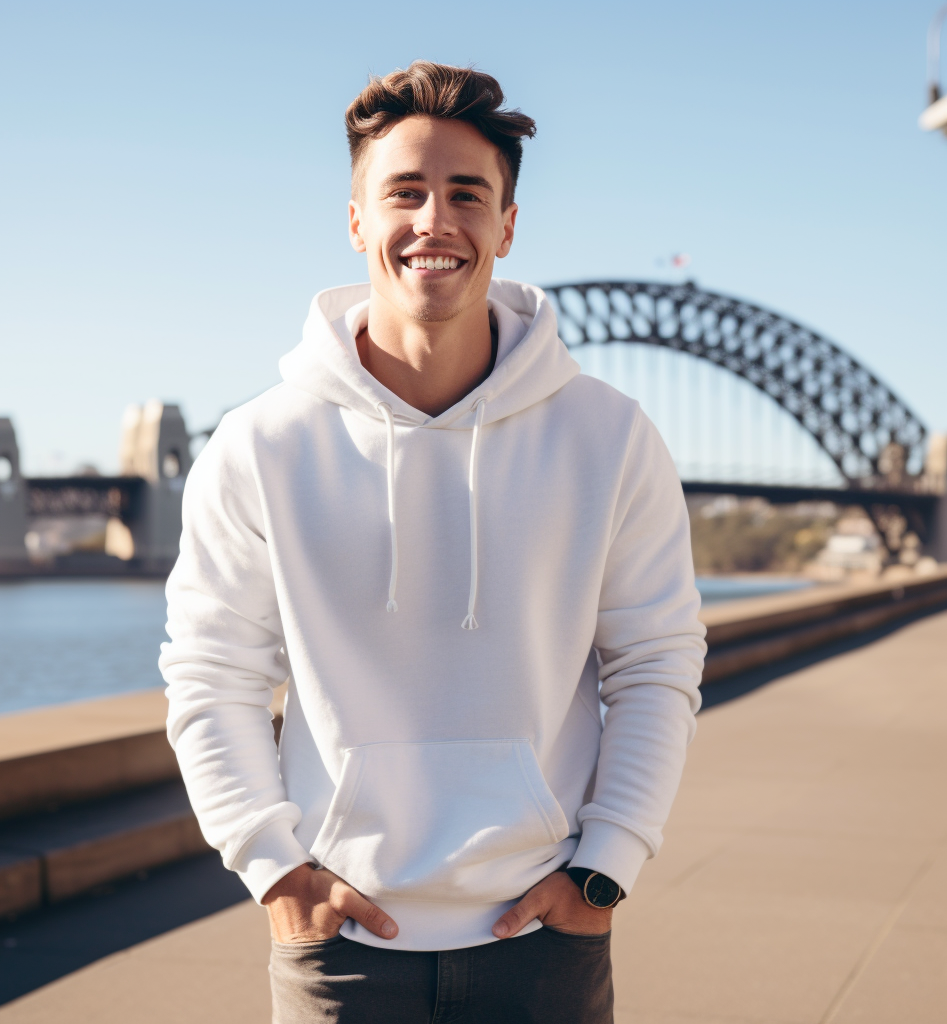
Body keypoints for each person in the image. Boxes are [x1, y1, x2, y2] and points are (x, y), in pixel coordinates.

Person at [160, 60, 706, 1024]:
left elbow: (657, 664)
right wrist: (273, 869)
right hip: (341, 945)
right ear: (358, 220)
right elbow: (211, 675)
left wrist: (606, 870)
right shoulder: (261, 445)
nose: (435, 223)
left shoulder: (609, 437)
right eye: (404, 192)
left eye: (468, 194)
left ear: (507, 225)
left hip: (545, 940)